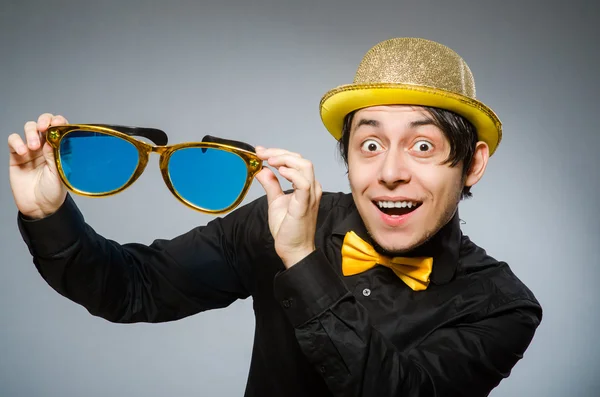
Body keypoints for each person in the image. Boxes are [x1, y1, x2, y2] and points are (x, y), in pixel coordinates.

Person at [8, 38, 542, 396]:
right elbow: (132, 287)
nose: (390, 173)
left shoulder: (503, 306)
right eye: (371, 143)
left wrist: (301, 260)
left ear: (471, 164)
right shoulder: (279, 220)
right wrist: (48, 212)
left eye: (423, 145)